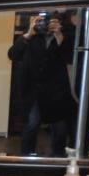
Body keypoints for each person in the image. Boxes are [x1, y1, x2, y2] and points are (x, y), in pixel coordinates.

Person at [8, 12, 76, 155]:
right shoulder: (33, 37)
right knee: (31, 125)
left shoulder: (65, 36)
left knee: (59, 129)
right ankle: (26, 158)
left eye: (53, 23)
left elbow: (70, 58)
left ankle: (57, 160)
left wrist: (59, 36)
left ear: (59, 24)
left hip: (57, 91)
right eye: (45, 22)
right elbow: (13, 54)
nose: (48, 26)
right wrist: (28, 34)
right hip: (34, 91)